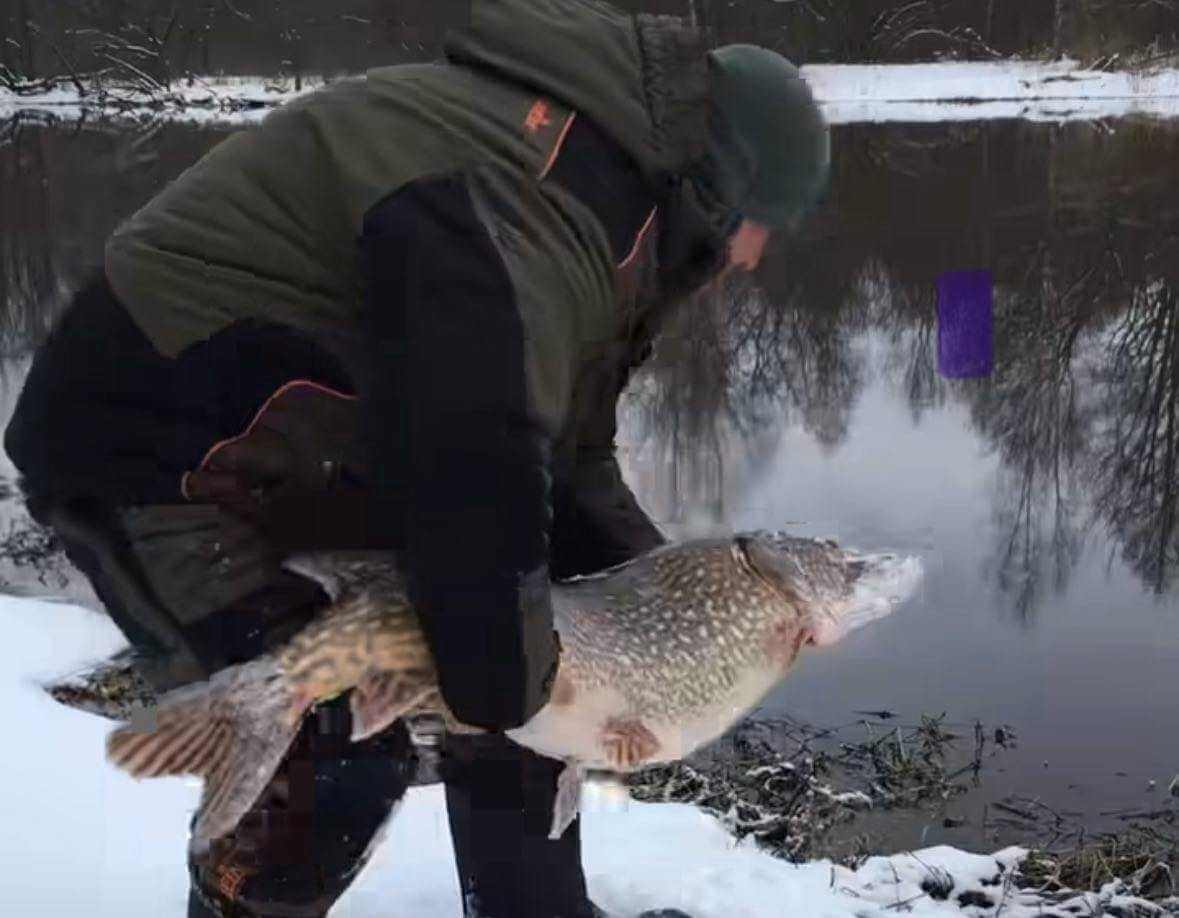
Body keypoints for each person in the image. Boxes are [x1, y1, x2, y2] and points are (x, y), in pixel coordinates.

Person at [5, 1, 829, 915]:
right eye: (766, 228)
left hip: (313, 452)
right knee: (333, 747)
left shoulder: (602, 204)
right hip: (152, 455)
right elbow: (479, 472)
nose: (753, 260)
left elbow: (562, 460)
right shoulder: (534, 197)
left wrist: (661, 606)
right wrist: (526, 673)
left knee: (523, 634)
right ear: (722, 188)